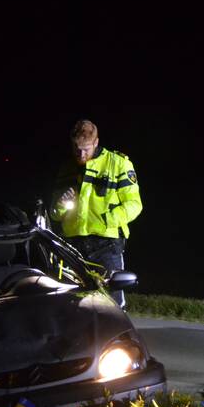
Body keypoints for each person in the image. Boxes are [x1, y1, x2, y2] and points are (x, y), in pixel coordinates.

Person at [50, 119, 142, 308]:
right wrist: (60, 204)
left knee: (112, 304)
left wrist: (107, 220)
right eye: (76, 148)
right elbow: (54, 213)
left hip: (106, 245)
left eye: (86, 149)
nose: (81, 154)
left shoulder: (118, 163)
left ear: (96, 142)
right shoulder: (67, 168)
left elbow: (134, 204)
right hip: (73, 246)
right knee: (70, 303)